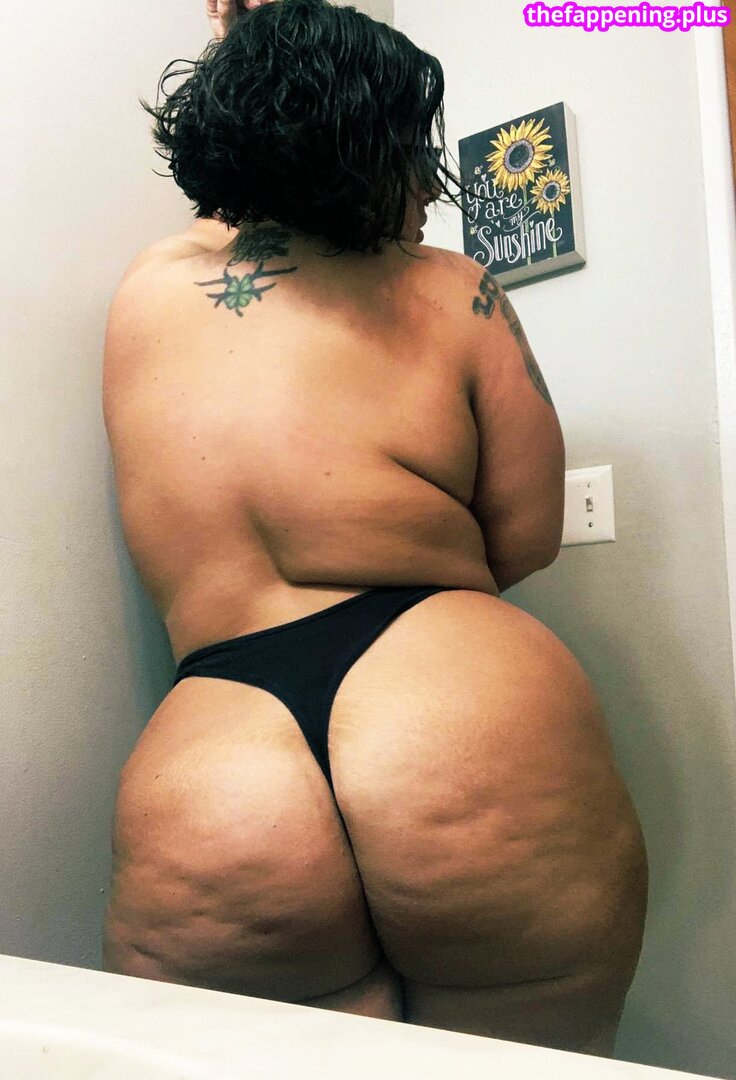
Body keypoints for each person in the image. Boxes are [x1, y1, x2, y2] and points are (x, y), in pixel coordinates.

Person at [101, 0, 648, 1058]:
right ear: (370, 153)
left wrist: (250, 50)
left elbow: (246, 167)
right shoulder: (452, 291)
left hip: (215, 766)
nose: (429, 189)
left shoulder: (147, 291)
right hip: (459, 709)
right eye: (414, 154)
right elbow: (526, 536)